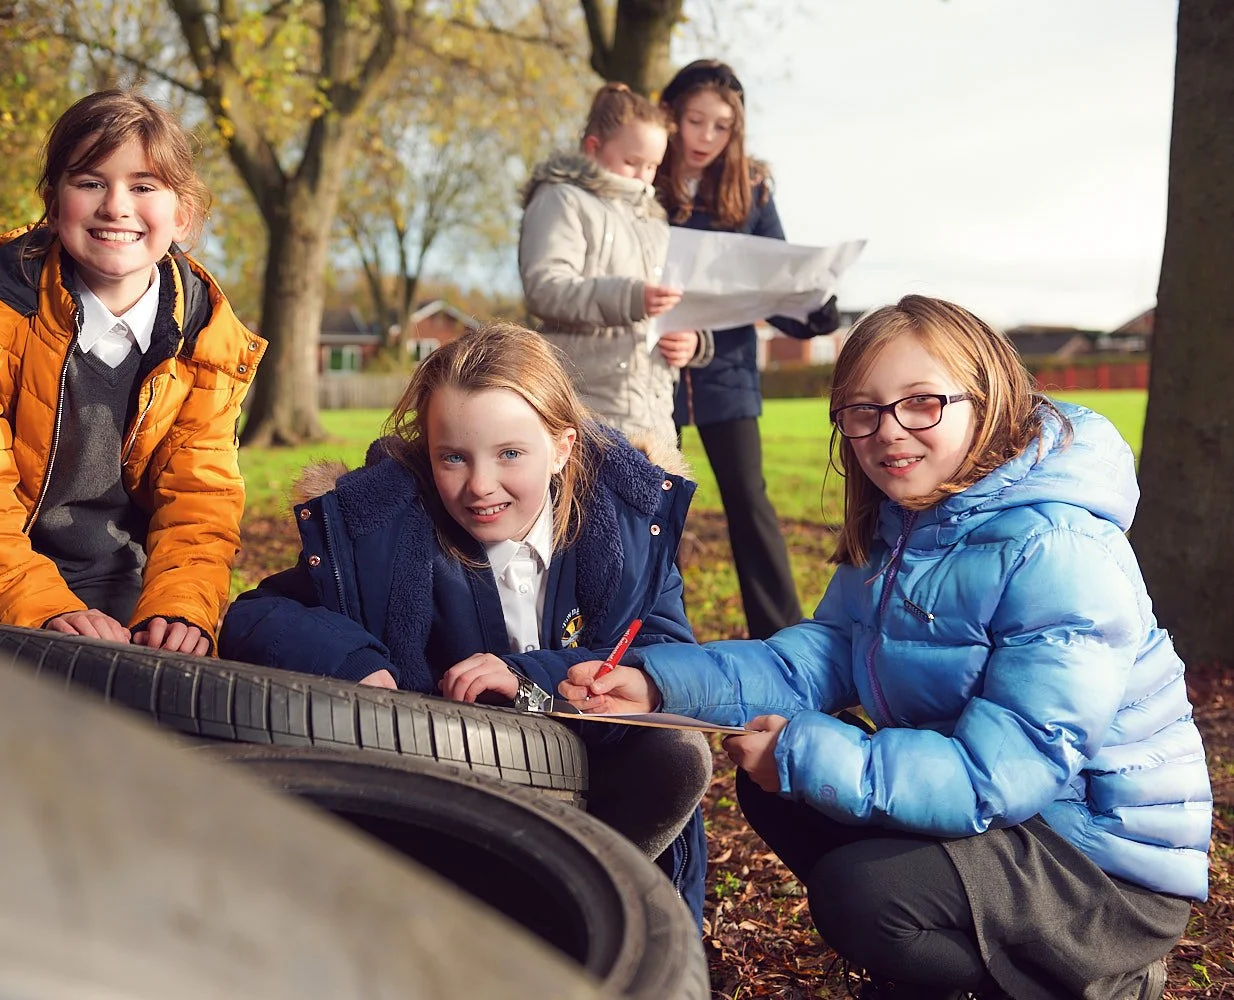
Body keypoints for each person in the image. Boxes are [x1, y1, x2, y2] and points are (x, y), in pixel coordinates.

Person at [560, 295, 1213, 999]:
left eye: (922, 403)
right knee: (775, 787)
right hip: (1010, 820)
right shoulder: (904, 526)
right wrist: (658, 685)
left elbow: (1003, 774)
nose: (888, 431)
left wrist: (806, 753)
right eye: (863, 411)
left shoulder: (1058, 549)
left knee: (861, 894)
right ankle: (957, 957)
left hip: (1097, 864)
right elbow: (823, 656)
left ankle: (1078, 978)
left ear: (987, 402)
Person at [219, 323, 712, 920]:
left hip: (594, 776)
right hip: (458, 788)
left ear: (561, 447)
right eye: (453, 457)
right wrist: (358, 663)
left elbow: (663, 653)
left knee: (677, 753)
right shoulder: (384, 530)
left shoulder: (628, 525)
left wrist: (527, 676)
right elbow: (255, 614)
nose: (480, 486)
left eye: (510, 454)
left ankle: (593, 916)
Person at [0, 89, 265, 656]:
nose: (116, 206)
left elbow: (199, 501)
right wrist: (43, 606)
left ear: (183, 215)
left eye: (144, 186)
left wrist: (181, 607)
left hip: (122, 581)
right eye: (91, 182)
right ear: (53, 204)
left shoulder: (207, 341)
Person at [654, 59, 842, 639]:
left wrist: (815, 304)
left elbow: (775, 278)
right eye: (696, 121)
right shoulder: (642, 182)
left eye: (722, 126)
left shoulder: (751, 189)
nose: (707, 138)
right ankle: (656, 632)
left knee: (748, 500)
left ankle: (782, 638)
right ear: (670, 117)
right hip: (652, 372)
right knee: (655, 509)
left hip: (727, 372)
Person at [518, 82, 704, 452]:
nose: (643, 176)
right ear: (593, 148)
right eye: (632, 163)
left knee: (655, 510)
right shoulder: (562, 199)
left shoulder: (655, 222)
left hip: (654, 415)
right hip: (587, 410)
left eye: (652, 166)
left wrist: (692, 341)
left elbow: (675, 303)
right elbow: (545, 287)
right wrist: (630, 296)